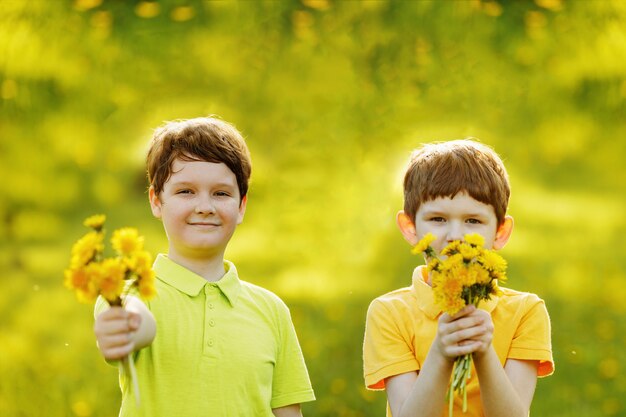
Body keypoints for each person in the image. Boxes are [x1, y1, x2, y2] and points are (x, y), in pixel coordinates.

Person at [93, 116, 315, 417]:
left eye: (221, 193)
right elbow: (134, 322)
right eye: (186, 191)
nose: (204, 207)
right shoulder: (128, 292)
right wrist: (127, 327)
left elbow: (287, 412)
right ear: (157, 201)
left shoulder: (272, 311)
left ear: (241, 206)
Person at [363, 139, 554, 417]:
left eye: (473, 221)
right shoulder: (389, 313)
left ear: (500, 232)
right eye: (438, 219)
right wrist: (440, 353)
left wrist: (482, 349)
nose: (455, 235)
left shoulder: (526, 312)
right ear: (410, 228)